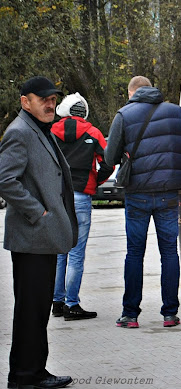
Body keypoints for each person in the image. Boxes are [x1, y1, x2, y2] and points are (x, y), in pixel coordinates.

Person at [0, 76, 77, 389]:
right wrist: (38, 212)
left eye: (53, 98)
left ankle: (35, 370)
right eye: (43, 99)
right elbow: (5, 179)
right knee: (31, 309)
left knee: (37, 308)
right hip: (32, 236)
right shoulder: (19, 132)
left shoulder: (38, 129)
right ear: (25, 101)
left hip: (41, 237)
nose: (50, 104)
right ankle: (23, 377)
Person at [105, 76, 181, 329]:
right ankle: (170, 313)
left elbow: (110, 156)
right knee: (168, 253)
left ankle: (130, 314)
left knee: (134, 253)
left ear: (131, 92)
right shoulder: (175, 112)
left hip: (137, 193)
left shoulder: (124, 114)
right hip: (168, 192)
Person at [51, 92, 114, 321]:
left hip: (57, 196)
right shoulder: (93, 132)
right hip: (80, 196)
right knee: (76, 254)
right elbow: (108, 161)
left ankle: (57, 302)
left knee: (59, 252)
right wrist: (94, 182)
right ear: (84, 112)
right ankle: (72, 304)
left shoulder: (51, 131)